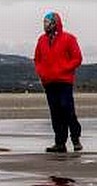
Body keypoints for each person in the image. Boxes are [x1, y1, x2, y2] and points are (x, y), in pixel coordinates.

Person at [33, 11, 83, 153]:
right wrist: (42, 73)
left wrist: (63, 68)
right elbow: (37, 59)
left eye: (48, 22)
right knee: (55, 112)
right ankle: (60, 143)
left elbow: (77, 58)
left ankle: (75, 138)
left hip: (64, 81)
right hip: (49, 82)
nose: (45, 25)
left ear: (55, 23)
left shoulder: (69, 38)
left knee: (67, 109)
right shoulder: (41, 40)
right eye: (44, 23)